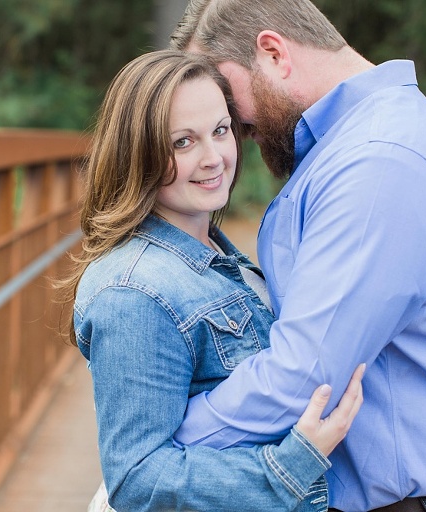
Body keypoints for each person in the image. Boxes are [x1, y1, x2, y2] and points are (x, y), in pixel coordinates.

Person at [169, 1, 426, 511]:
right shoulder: (350, 145)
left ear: (272, 52)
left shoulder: (379, 160)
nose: (231, 120)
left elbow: (302, 374)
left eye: (227, 95)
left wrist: (161, 448)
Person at [58, 49, 365, 512]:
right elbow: (138, 479)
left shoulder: (219, 257)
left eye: (220, 131)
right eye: (183, 142)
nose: (214, 158)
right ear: (138, 151)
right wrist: (291, 466)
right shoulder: (133, 291)